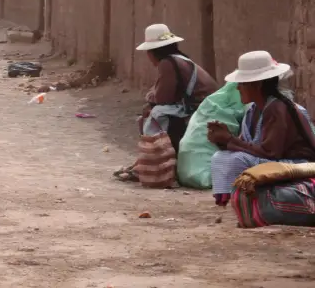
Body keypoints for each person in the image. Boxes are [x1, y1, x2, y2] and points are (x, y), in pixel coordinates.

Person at [209, 51, 315, 206]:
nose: (238, 88)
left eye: (243, 84)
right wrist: (222, 140)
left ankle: (249, 200)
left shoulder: (277, 108)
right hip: (273, 160)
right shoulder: (253, 110)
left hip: (296, 164)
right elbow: (246, 145)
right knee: (221, 156)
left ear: (257, 85)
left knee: (236, 160)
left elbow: (271, 152)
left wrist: (229, 139)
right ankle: (236, 199)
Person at [115, 24, 218, 183]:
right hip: (201, 106)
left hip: (198, 109)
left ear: (152, 52)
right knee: (150, 111)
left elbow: (162, 97)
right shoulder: (178, 60)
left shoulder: (168, 63)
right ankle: (144, 164)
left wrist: (150, 98)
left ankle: (155, 165)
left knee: (154, 115)